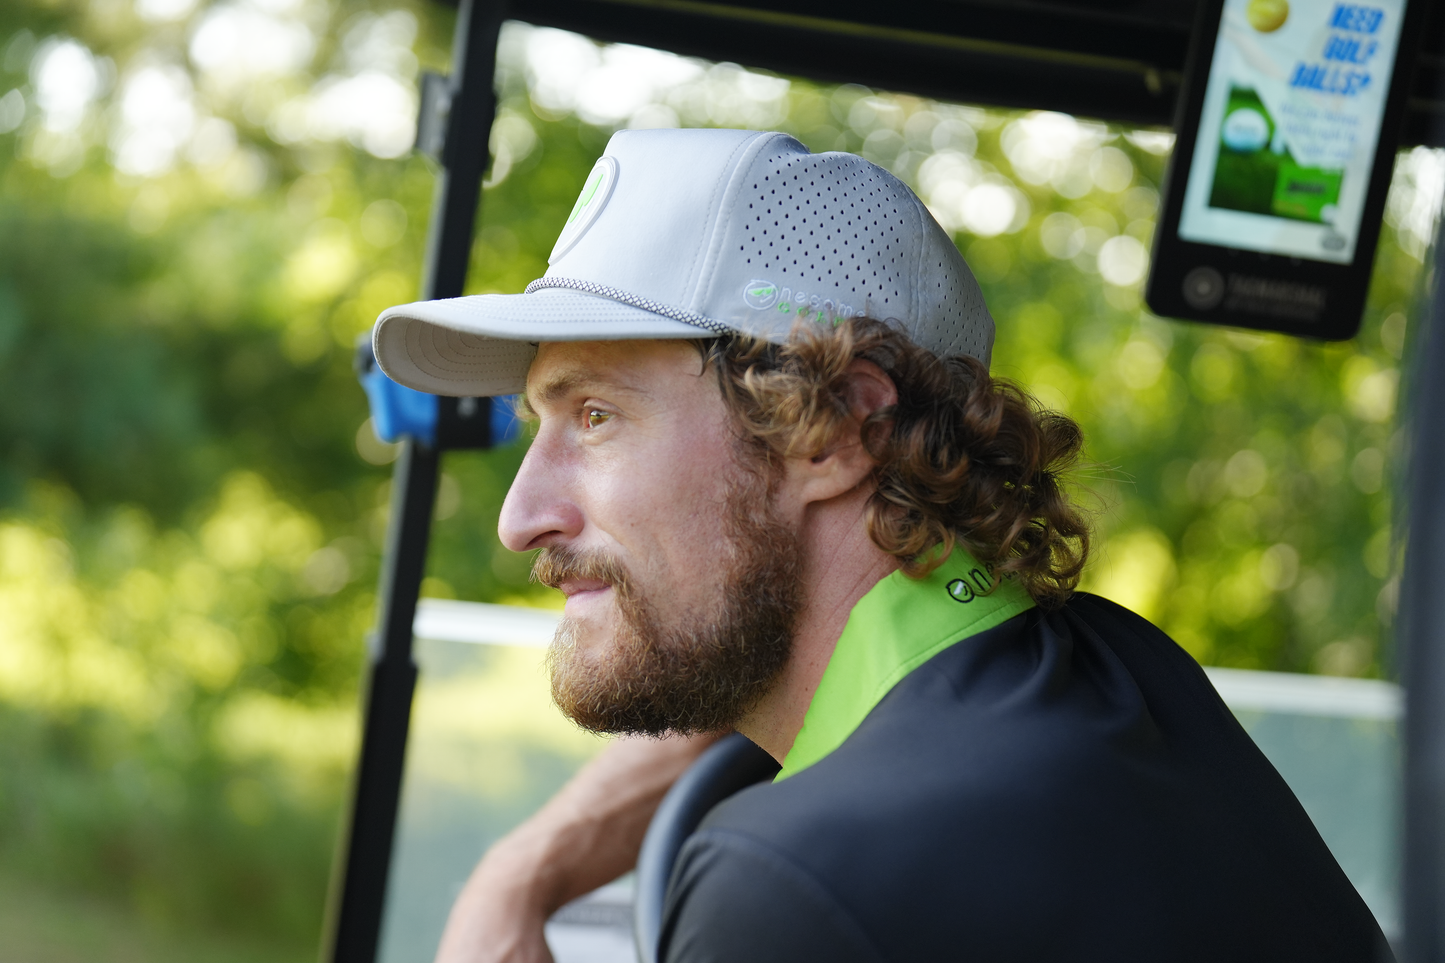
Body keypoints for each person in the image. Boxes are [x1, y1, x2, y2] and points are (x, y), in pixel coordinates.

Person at [373, 128, 1391, 963]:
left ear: (836, 431)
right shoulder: (1115, 670)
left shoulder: (793, 883)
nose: (519, 517)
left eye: (593, 416)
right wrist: (530, 867)